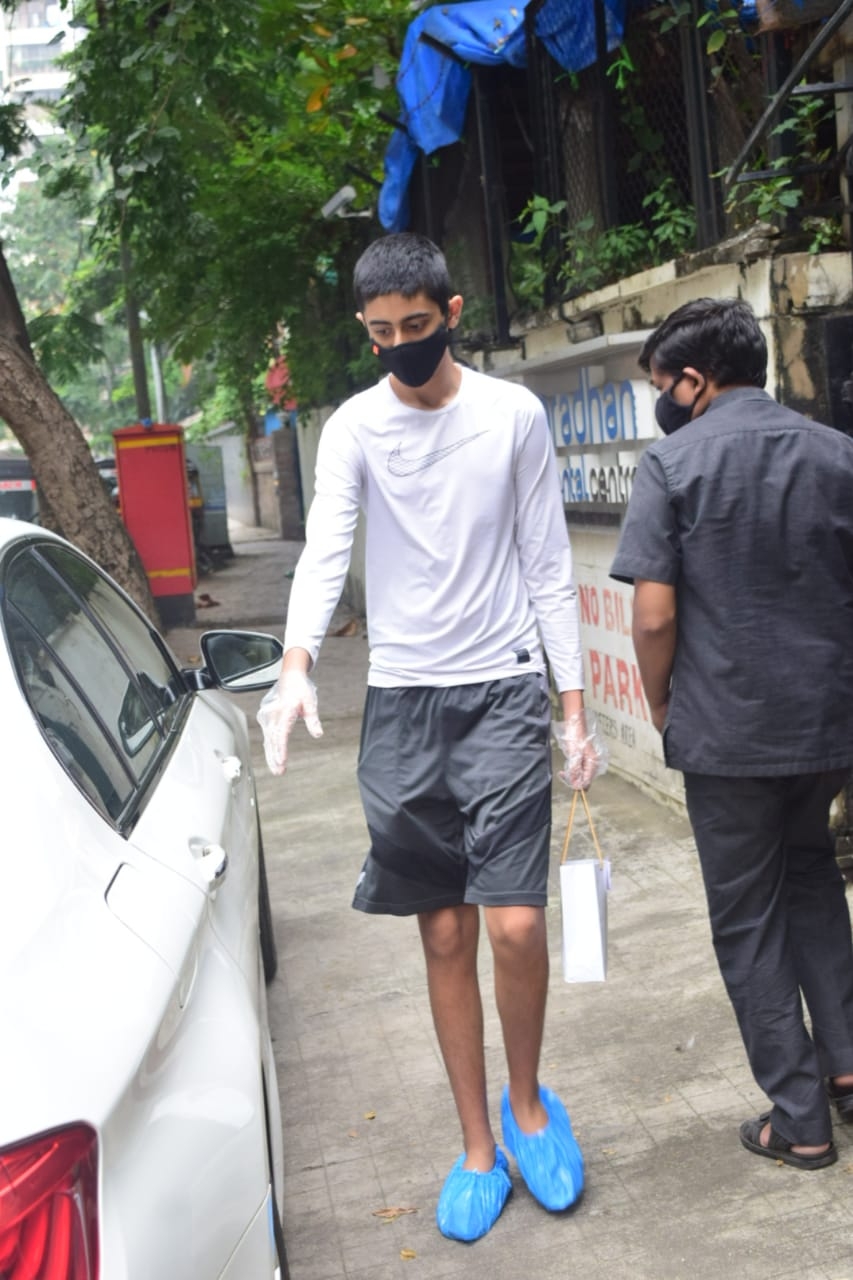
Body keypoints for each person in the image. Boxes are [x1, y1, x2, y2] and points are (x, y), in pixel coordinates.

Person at [258, 232, 605, 1241]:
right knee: (445, 927)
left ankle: (529, 1102)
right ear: (364, 333)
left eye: (415, 327)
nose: (400, 347)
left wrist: (572, 706)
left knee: (515, 923)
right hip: (404, 702)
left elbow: (547, 563)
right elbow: (326, 548)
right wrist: (293, 665)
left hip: (501, 690)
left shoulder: (511, 414)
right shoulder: (356, 428)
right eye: (380, 335)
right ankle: (474, 1143)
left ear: (450, 313)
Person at [610, 296, 853, 1171]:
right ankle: (846, 1070)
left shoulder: (670, 465)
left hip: (730, 736)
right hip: (827, 727)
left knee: (747, 917)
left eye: (660, 384)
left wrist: (662, 701)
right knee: (814, 881)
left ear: (692, 379)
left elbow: (651, 614)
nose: (659, 401)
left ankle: (798, 1121)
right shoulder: (837, 453)